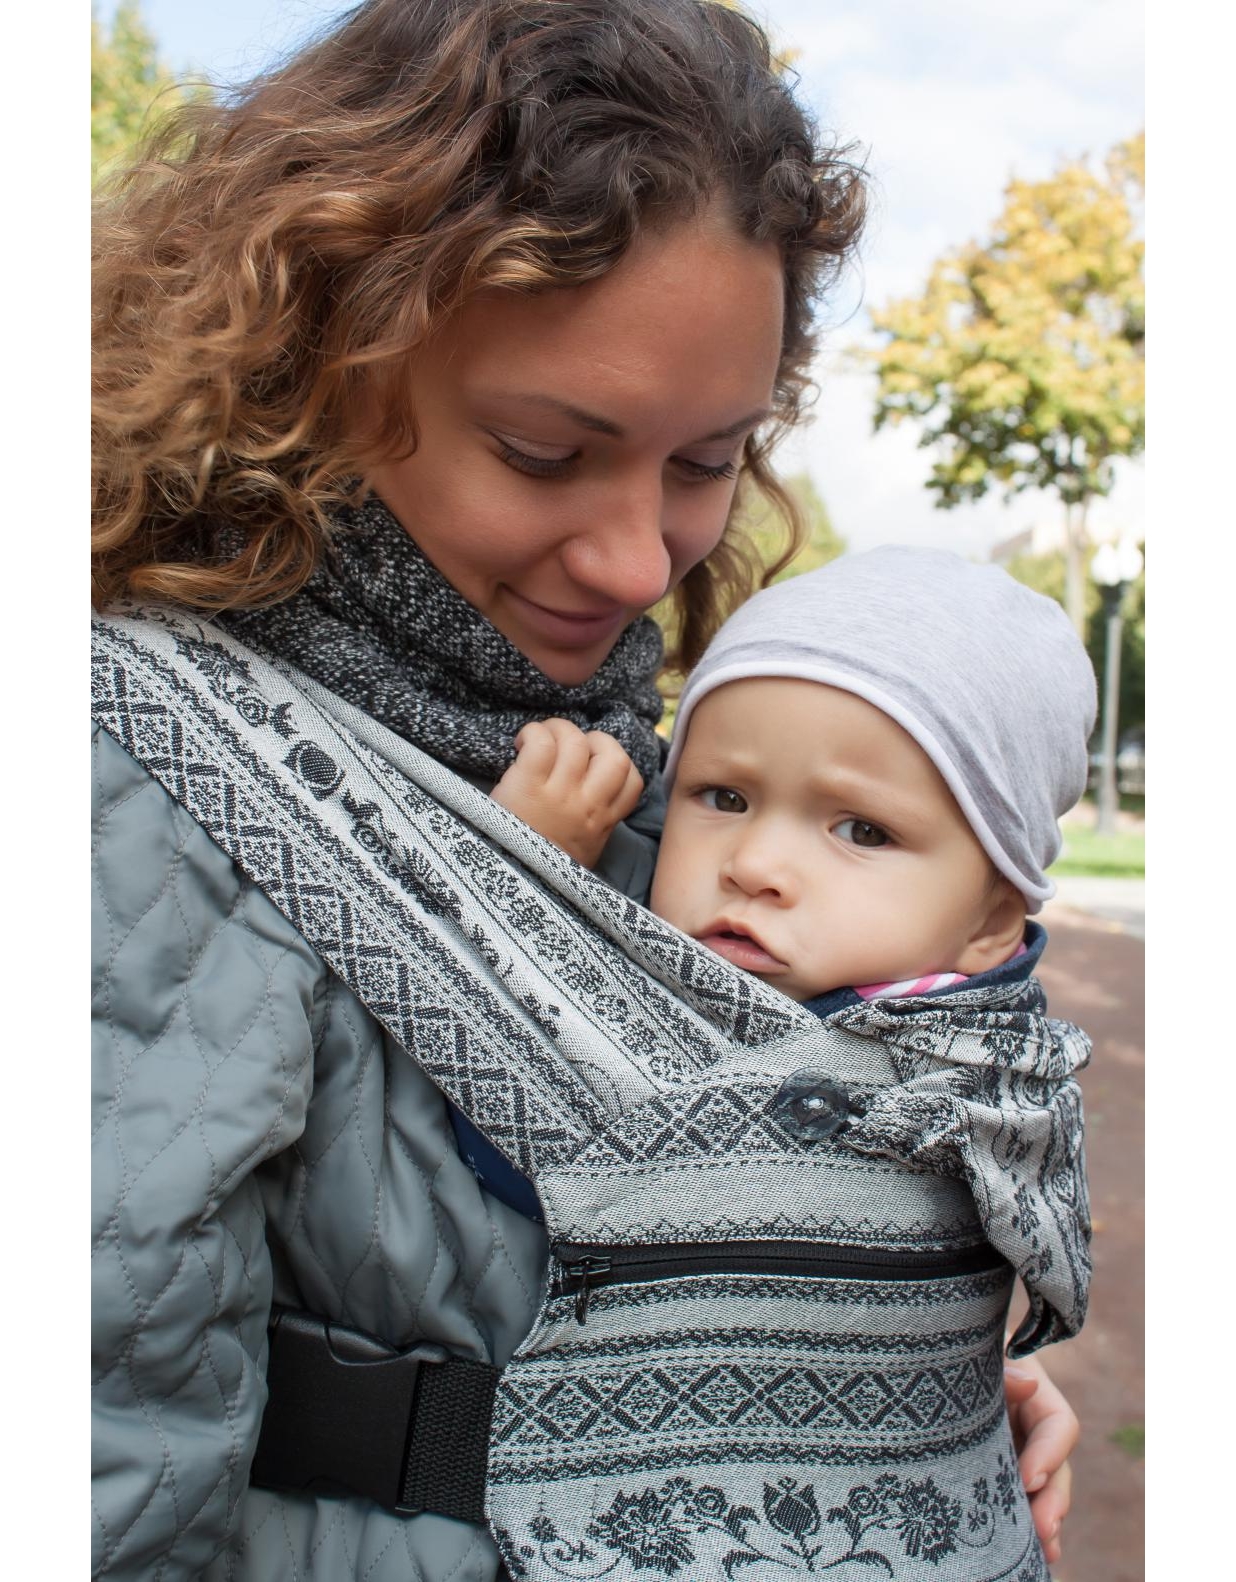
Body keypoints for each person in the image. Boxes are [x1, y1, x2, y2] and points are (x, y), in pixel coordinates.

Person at [91, 4, 1078, 1580]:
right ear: (320, 361)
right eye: (545, 451)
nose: (635, 565)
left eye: (707, 462)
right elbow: (104, 1460)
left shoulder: (662, 755)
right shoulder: (146, 772)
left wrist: (894, 1386)